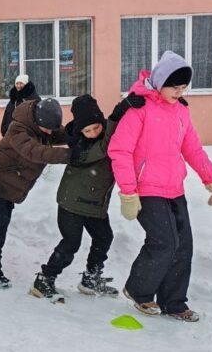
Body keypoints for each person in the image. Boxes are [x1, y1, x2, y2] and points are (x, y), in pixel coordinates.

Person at [108, 51, 212, 323]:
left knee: (183, 246)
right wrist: (128, 193)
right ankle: (138, 290)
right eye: (174, 86)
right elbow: (120, 150)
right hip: (146, 190)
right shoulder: (139, 109)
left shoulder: (181, 111)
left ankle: (174, 303)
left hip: (174, 188)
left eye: (183, 87)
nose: (179, 92)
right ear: (160, 82)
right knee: (164, 242)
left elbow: (193, 149)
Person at [30, 94, 142, 301]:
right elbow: (104, 145)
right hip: (71, 204)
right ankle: (44, 280)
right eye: (87, 130)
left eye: (96, 128)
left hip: (94, 204)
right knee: (71, 244)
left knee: (104, 237)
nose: (92, 133)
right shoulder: (80, 145)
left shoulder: (107, 136)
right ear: (80, 131)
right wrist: (119, 111)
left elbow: (114, 134)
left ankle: (91, 279)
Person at [0, 97, 69, 288]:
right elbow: (35, 152)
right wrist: (71, 155)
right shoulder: (18, 129)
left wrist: (81, 135)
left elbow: (64, 134)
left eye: (52, 129)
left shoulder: (44, 125)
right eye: (47, 129)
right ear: (37, 120)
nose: (50, 133)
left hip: (9, 184)